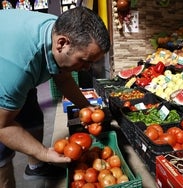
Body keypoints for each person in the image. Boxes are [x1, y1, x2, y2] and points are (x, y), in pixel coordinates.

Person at [0, 6, 110, 188]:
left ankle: (35, 167)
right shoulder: (18, 70)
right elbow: (2, 127)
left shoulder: (58, 31)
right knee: (2, 153)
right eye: (84, 60)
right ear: (61, 43)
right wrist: (43, 152)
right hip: (7, 67)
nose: (87, 68)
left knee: (32, 117)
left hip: (15, 62)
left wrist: (86, 106)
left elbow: (64, 79)